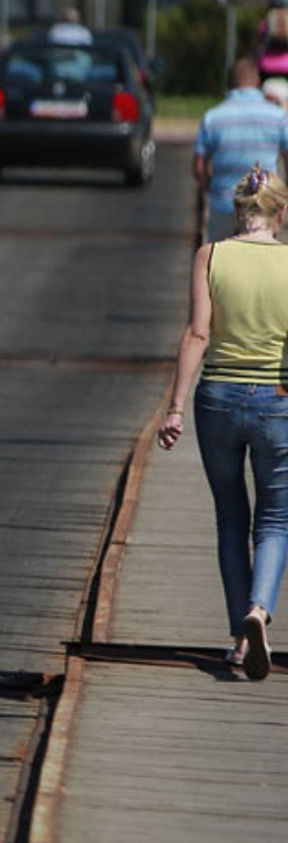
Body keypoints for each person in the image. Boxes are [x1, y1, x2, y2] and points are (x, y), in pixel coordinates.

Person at [157, 165, 288, 680]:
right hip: (278, 401)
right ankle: (259, 609)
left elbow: (197, 333)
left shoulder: (209, 256)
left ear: (237, 211)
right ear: (281, 213)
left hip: (217, 399)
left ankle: (239, 640)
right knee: (275, 520)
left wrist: (174, 407)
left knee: (231, 517)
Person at [193, 57, 288, 244]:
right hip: (264, 206)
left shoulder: (212, 118)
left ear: (229, 84)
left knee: (219, 258)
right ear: (257, 82)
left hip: (223, 205)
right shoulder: (278, 117)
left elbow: (198, 168)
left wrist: (213, 189)